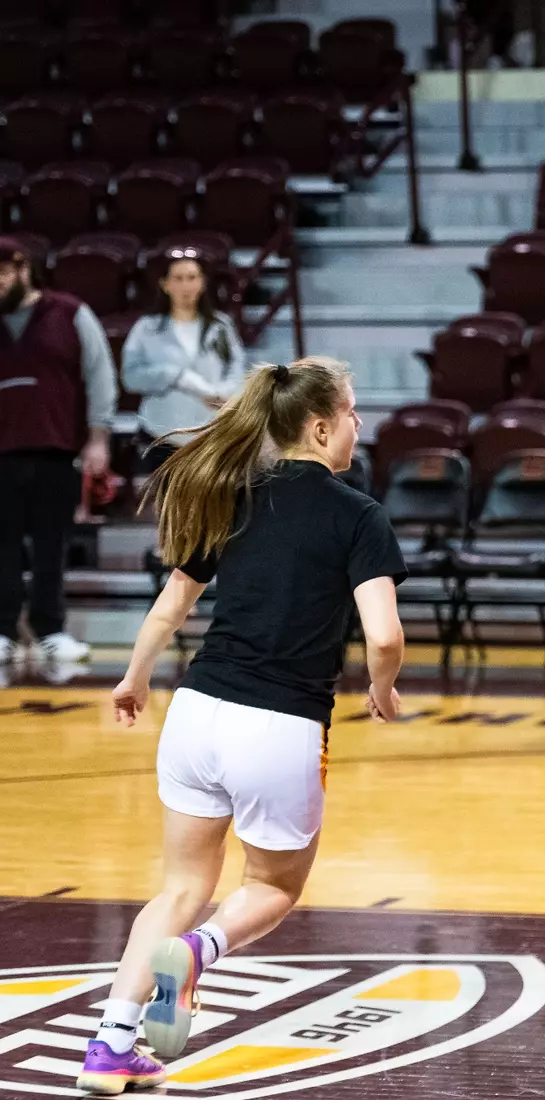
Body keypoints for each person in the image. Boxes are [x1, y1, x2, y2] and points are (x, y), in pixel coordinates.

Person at [76, 358, 407, 1096]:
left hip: (197, 713)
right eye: (353, 413)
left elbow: (171, 605)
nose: (360, 425)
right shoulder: (359, 513)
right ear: (321, 426)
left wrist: (133, 676)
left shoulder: (233, 495)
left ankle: (109, 1047)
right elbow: (383, 636)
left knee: (179, 886)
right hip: (280, 724)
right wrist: (383, 690)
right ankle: (201, 953)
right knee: (275, 887)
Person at [0, 235, 117, 667]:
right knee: (2, 546)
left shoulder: (69, 312)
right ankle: (3, 631)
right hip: (2, 453)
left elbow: (99, 372)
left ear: (22, 269)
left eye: (2, 273)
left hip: (56, 447)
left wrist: (98, 436)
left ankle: (50, 629)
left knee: (53, 545)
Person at [121, 251, 248, 473]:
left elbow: (236, 366)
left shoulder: (220, 326)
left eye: (192, 278)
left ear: (202, 283)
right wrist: (171, 375)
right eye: (178, 279)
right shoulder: (147, 328)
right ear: (165, 285)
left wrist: (224, 393)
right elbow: (130, 377)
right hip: (161, 432)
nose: (185, 285)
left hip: (211, 433)